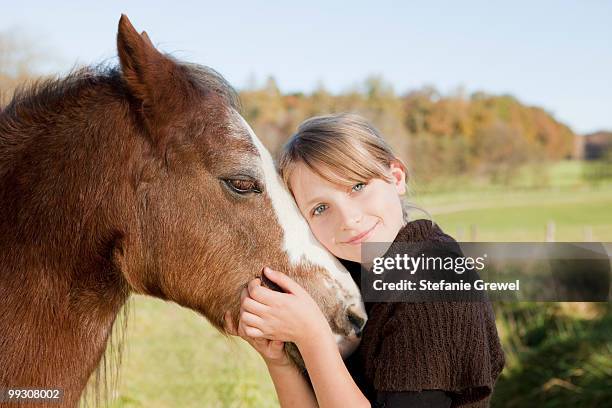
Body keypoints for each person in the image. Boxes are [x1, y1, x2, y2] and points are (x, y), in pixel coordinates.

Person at [224, 113, 505, 408]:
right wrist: (280, 362)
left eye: (357, 187)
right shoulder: (351, 281)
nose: (348, 219)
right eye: (320, 208)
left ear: (396, 177)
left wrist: (313, 337)